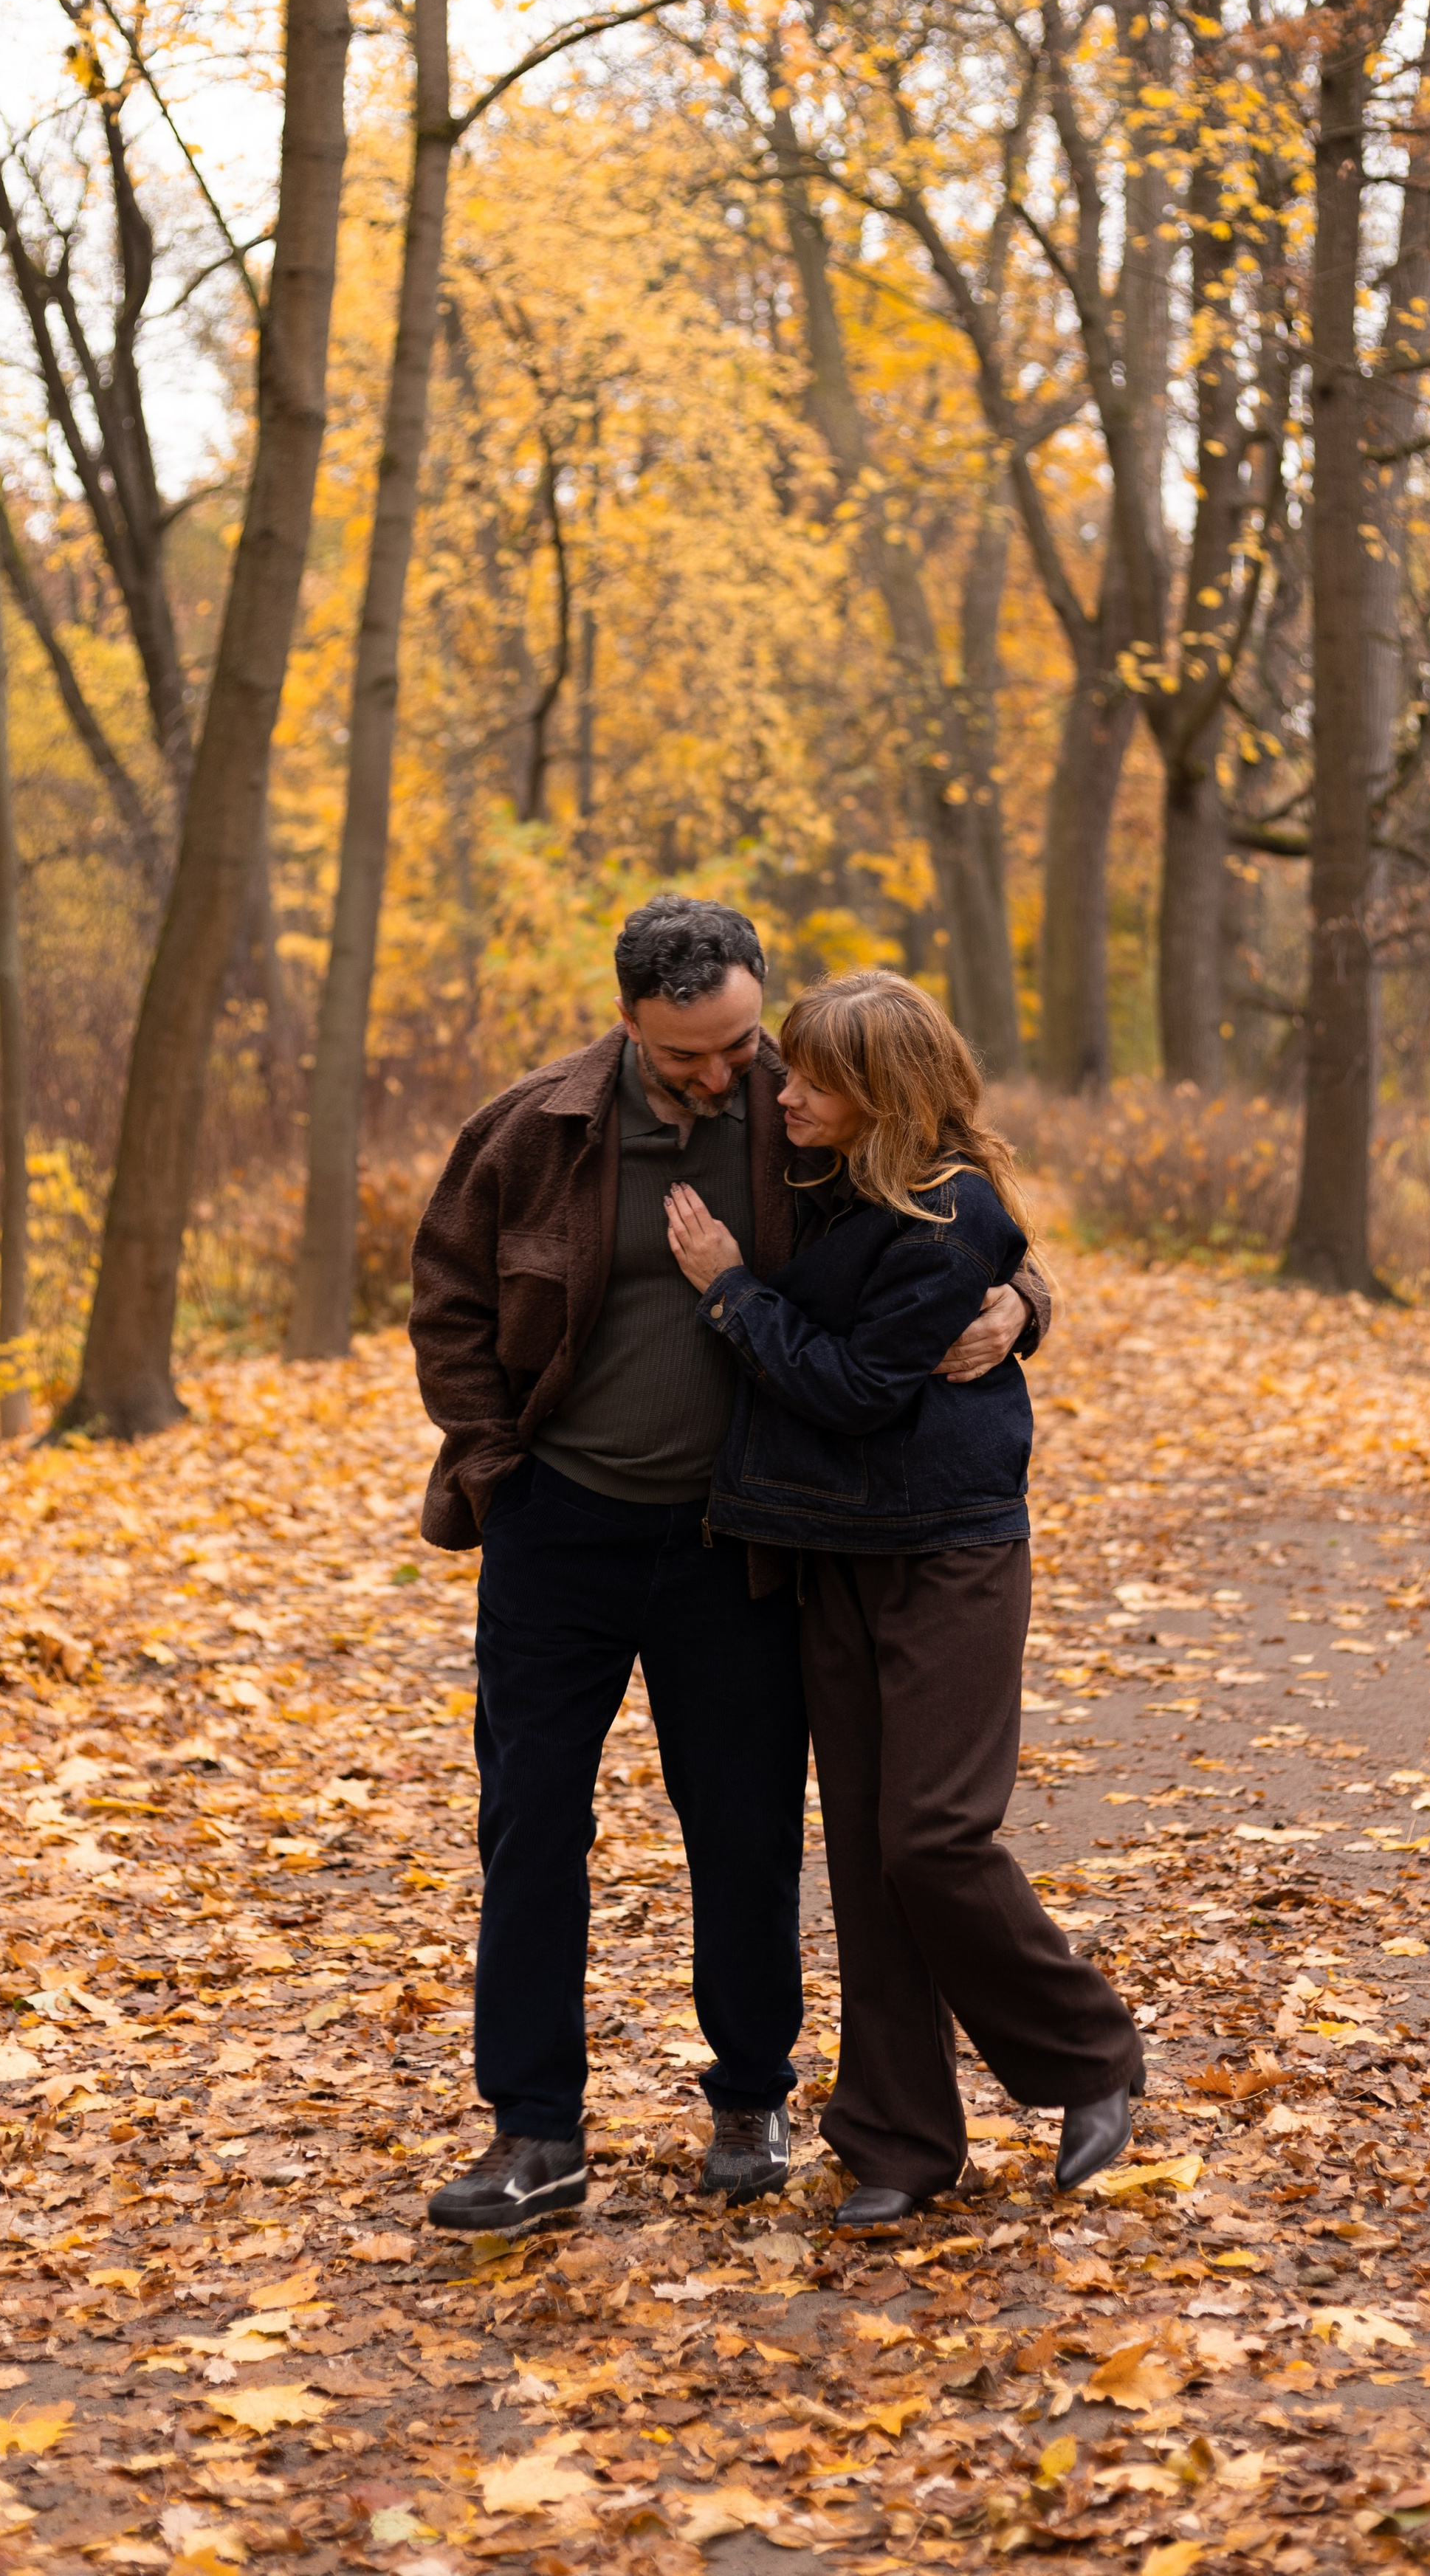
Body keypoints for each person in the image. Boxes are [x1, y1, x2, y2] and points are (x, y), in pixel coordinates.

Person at [408, 900, 1048, 2233]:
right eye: (691, 1054)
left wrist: (1022, 1304)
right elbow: (451, 1298)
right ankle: (534, 2133)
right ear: (631, 1018)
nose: (725, 1075)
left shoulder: (808, 1113)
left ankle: (751, 2102)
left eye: (743, 1042)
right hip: (559, 1532)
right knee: (531, 1829)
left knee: (746, 1833)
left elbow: (965, 1220)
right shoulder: (534, 1129)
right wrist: (494, 1470)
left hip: (740, 1542)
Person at [662, 967, 1143, 2223]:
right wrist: (1029, 1305)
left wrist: (726, 1288)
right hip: (829, 1555)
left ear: (886, 1095)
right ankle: (897, 2143)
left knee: (933, 1837)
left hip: (948, 1551)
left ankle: (1091, 2057)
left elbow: (852, 1388)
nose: (785, 1092)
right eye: (795, 1070)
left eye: (817, 1080)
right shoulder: (817, 1166)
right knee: (871, 1859)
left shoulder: (947, 1216)